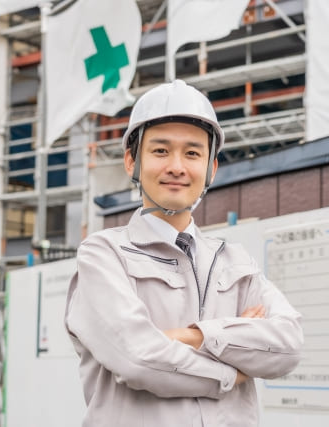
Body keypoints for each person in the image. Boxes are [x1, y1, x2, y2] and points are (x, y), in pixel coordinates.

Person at [65, 79, 303, 427]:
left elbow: (288, 345)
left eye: (193, 153)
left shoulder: (235, 262)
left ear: (211, 168)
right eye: (160, 151)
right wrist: (231, 371)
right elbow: (138, 359)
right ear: (131, 162)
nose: (177, 166)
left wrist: (193, 336)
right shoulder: (103, 255)